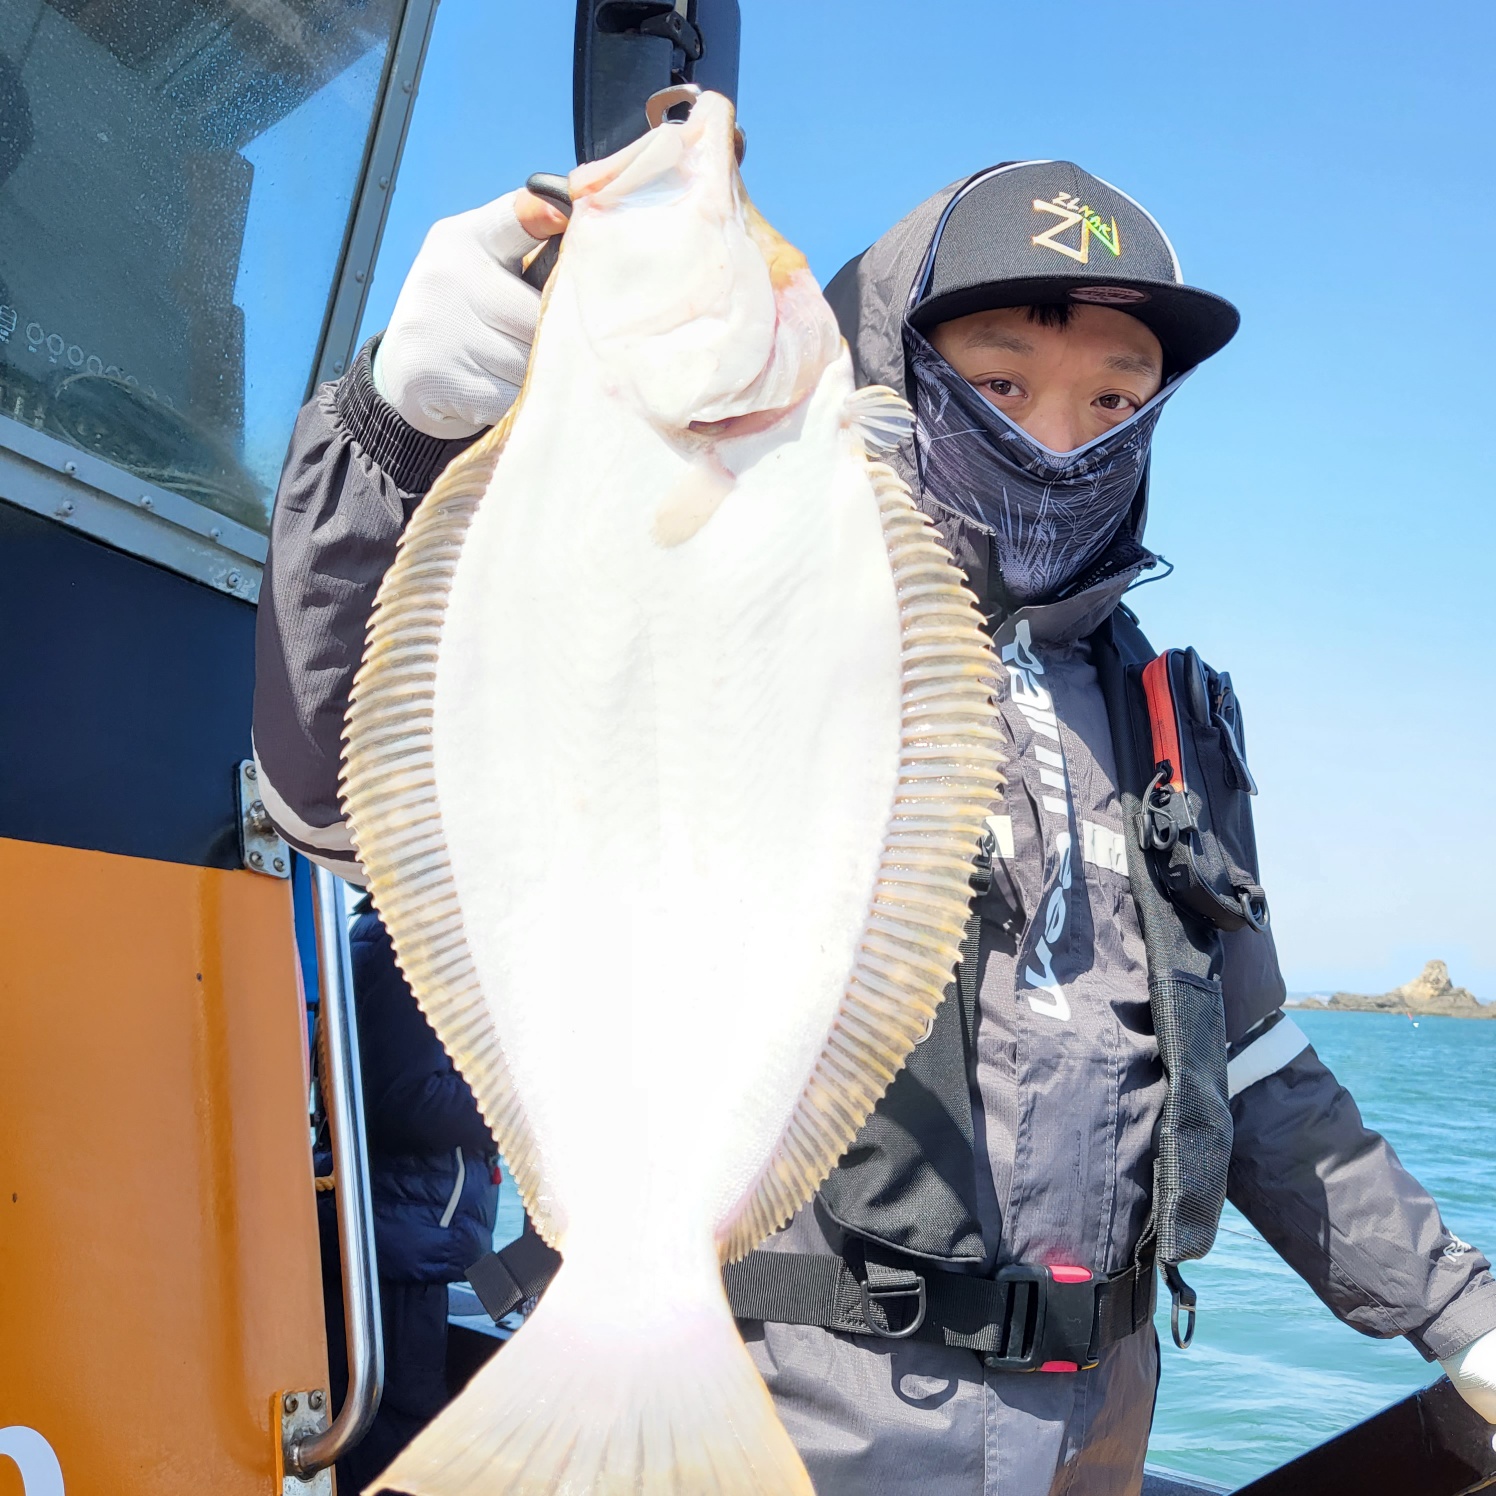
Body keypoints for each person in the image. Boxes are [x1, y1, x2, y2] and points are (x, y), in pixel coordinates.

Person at [253, 148, 1496, 1494]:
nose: (1060, 441)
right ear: (893, 371)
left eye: (1113, 399)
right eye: (1003, 385)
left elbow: (1251, 1069)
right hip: (787, 1418)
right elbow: (341, 788)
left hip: (1092, 1442)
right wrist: (396, 434)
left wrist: (1465, 1317)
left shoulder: (1165, 722)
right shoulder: (731, 610)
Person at [316, 900, 498, 1494]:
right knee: (398, 1442)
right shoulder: (407, 947)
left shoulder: (395, 940)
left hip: (402, 1241)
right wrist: (512, 1103)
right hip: (395, 1246)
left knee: (394, 1433)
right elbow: (405, 1099)